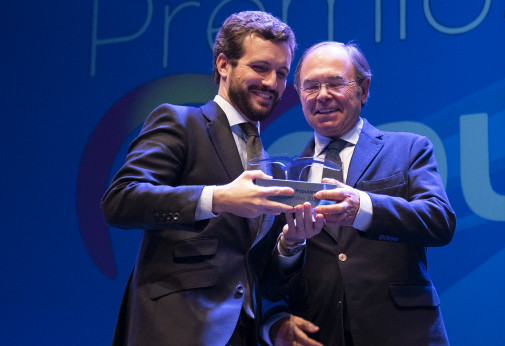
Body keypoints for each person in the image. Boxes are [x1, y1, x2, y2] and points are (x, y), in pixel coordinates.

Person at [101, 11, 322, 346]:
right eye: (260, 68)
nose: (271, 83)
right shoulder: (180, 122)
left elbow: (263, 277)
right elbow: (121, 200)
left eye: (281, 73)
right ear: (223, 64)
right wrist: (218, 198)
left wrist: (292, 243)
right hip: (175, 330)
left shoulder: (271, 167)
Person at [262, 41, 457, 346]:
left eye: (335, 83)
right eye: (311, 86)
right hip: (321, 335)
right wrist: (290, 245)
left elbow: (439, 221)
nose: (322, 95)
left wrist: (363, 207)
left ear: (364, 89)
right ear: (299, 95)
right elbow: (269, 284)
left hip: (405, 334)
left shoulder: (408, 149)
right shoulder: (287, 176)